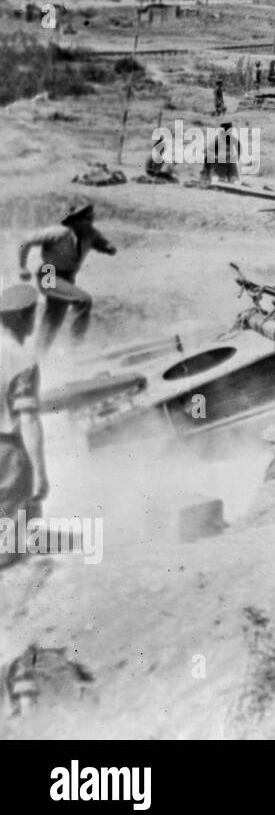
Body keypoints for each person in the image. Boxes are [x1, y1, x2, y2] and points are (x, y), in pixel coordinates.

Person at [16, 201, 117, 352]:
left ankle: (37, 357)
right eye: (86, 218)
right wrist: (22, 267)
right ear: (75, 220)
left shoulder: (90, 234)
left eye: (91, 217)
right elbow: (25, 241)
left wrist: (108, 248)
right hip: (49, 274)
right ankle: (76, 348)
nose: (90, 221)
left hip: (68, 278)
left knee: (53, 321)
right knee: (83, 300)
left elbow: (103, 243)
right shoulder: (58, 233)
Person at [0, 284, 47, 569]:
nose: (35, 320)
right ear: (22, 318)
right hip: (8, 453)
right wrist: (40, 472)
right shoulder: (21, 359)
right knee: (10, 539)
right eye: (32, 314)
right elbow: (28, 418)